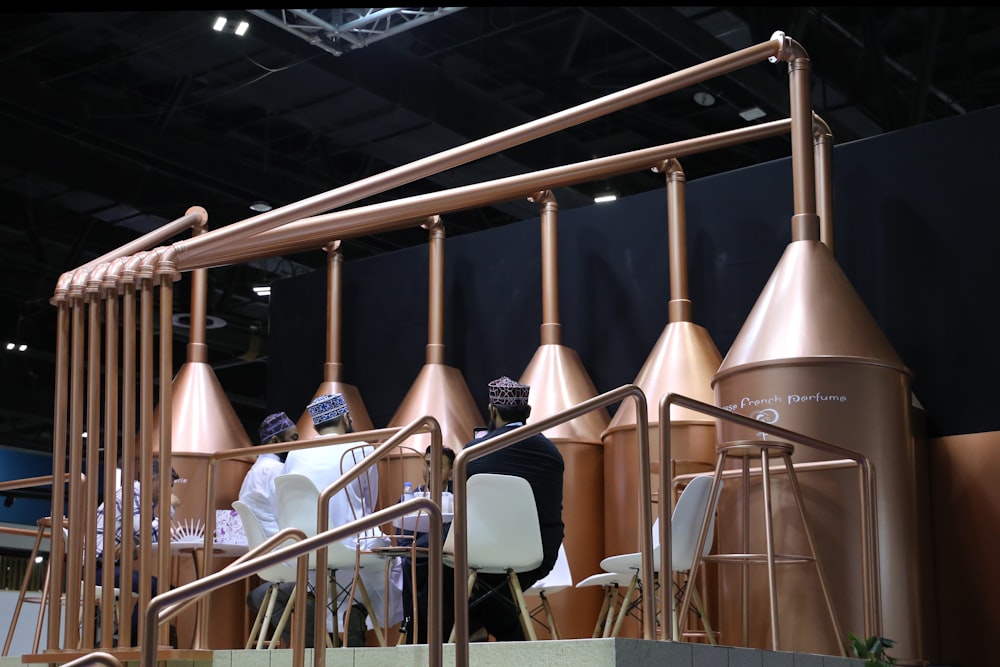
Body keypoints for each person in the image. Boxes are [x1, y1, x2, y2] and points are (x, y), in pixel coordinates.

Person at [414, 375, 565, 643]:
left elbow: (465, 517)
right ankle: (484, 631)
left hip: (484, 551)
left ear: (493, 411)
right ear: (527, 413)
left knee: (425, 552)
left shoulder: (472, 454)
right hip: (538, 555)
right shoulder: (552, 454)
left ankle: (446, 636)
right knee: (493, 592)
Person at [282, 392, 403, 647]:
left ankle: (319, 614)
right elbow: (367, 505)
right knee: (390, 560)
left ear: (315, 426)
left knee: (325, 572)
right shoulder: (360, 449)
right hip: (347, 547)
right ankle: (355, 615)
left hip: (302, 549)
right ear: (347, 418)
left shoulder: (296, 453)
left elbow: (281, 501)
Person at [94, 456, 181, 646]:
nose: (168, 491)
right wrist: (169, 508)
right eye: (168, 485)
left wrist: (133, 540)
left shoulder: (139, 499)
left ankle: (129, 640)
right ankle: (130, 641)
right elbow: (151, 535)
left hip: (104, 566)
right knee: (163, 590)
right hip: (96, 569)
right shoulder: (133, 494)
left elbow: (140, 535)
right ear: (153, 479)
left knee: (161, 589)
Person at [243, 411, 311, 647]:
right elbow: (289, 515)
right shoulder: (276, 470)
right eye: (293, 438)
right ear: (274, 442)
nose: (297, 444)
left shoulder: (252, 473)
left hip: (265, 560)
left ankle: (296, 641)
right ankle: (313, 645)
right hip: (286, 557)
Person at [398, 445, 455, 642]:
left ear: (451, 471)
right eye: (428, 464)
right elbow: (403, 539)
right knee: (412, 561)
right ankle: (417, 632)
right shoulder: (410, 498)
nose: (430, 470)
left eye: (438, 465)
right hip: (419, 561)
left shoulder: (463, 495)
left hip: (453, 560)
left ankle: (447, 633)